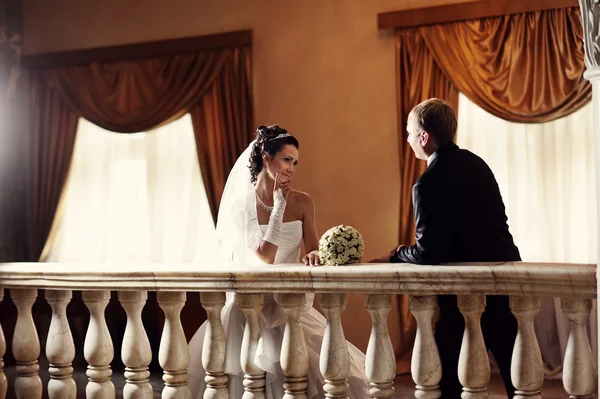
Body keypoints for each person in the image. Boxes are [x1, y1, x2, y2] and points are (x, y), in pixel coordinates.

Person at [188, 125, 369, 398]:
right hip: (251, 307)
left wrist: (314, 254)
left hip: (289, 303)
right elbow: (265, 256)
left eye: (295, 162)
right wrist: (279, 207)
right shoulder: (241, 204)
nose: (292, 168)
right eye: (287, 159)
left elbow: (312, 247)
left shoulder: (304, 202)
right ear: (266, 158)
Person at [372, 99, 520, 398]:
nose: (409, 139)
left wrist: (397, 254)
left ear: (424, 136)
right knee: (516, 374)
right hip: (502, 280)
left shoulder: (426, 184)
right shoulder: (478, 165)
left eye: (410, 133)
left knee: (445, 377)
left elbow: (429, 252)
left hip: (461, 293)